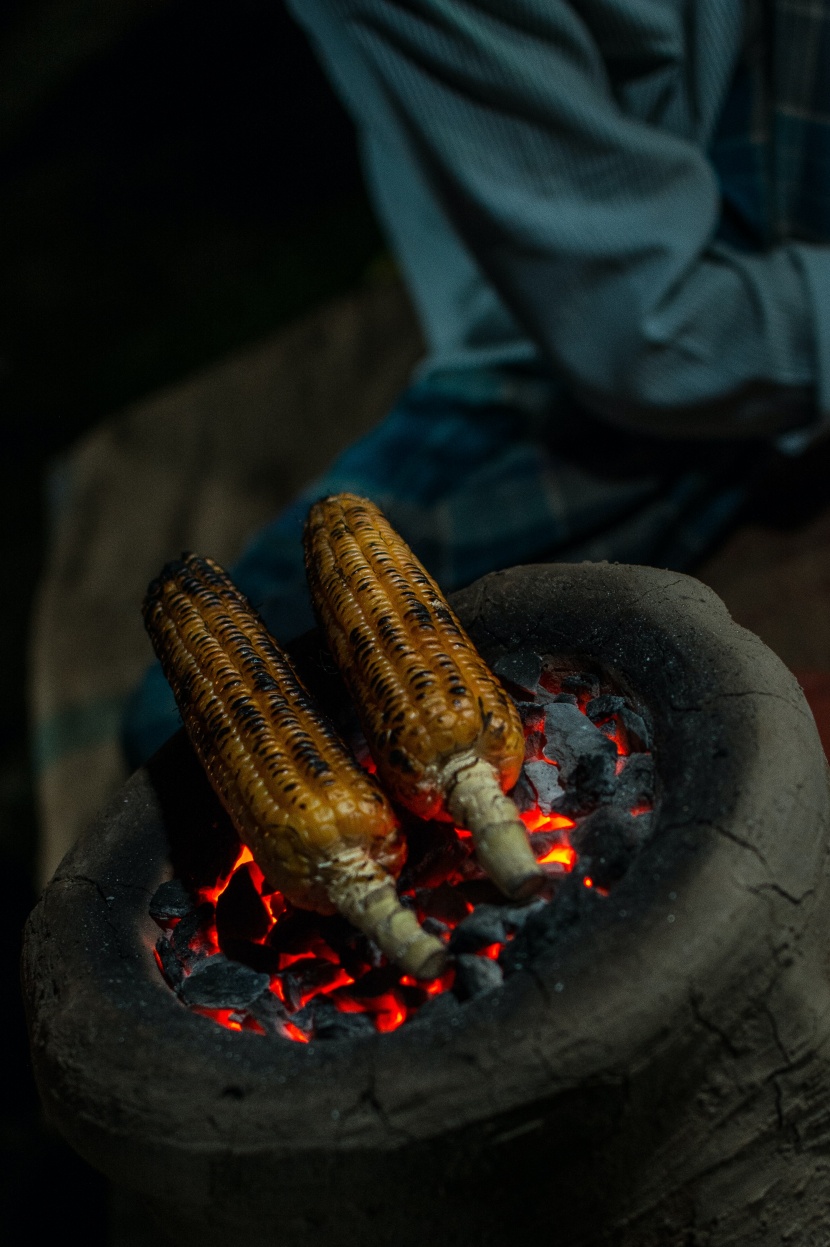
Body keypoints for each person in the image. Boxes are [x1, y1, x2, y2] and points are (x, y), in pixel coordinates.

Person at [122, 0, 830, 767]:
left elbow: (659, 342)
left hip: (753, 242)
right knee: (176, 715)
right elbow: (643, 336)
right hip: (610, 325)